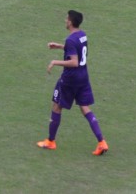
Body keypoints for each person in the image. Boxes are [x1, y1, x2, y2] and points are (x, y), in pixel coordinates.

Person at [37, 10, 109, 156]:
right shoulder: (82, 35)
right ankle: (101, 142)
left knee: (57, 106)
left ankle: (50, 141)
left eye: (66, 18)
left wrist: (55, 62)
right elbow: (77, 50)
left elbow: (74, 62)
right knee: (85, 108)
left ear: (70, 22)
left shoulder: (71, 40)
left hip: (70, 79)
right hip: (83, 77)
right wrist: (59, 46)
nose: (65, 20)